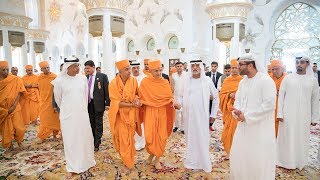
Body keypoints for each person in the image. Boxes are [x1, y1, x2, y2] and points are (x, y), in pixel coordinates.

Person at [230, 53, 276, 179]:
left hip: (260, 130)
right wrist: (237, 113)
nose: (238, 67)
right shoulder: (242, 82)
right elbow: (237, 101)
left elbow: (269, 105)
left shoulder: (265, 81)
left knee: (257, 158)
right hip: (243, 126)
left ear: (250, 65)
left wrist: (247, 116)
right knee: (240, 155)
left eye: (240, 64)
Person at [52, 57, 96, 179]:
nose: (78, 68)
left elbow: (84, 96)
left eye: (78, 65)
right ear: (68, 67)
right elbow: (58, 99)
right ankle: (72, 167)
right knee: (70, 141)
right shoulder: (59, 81)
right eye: (75, 66)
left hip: (82, 114)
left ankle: (86, 162)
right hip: (68, 116)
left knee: (84, 138)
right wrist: (68, 110)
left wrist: (80, 109)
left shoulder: (82, 79)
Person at [276, 56, 319, 170]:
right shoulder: (288, 78)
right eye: (297, 62)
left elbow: (315, 100)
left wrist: (314, 118)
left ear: (307, 64)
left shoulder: (313, 81)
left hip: (304, 115)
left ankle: (299, 162)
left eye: (302, 62)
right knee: (287, 137)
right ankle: (284, 161)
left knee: (301, 138)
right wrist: (279, 113)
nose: (299, 64)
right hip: (287, 114)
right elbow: (281, 96)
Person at [138, 59, 178, 170]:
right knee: (150, 136)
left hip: (162, 112)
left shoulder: (165, 82)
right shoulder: (145, 82)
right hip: (150, 111)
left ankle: (157, 159)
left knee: (161, 136)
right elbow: (141, 97)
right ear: (150, 71)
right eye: (156, 71)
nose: (159, 73)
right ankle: (151, 154)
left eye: (160, 70)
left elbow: (169, 97)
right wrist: (139, 101)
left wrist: (173, 101)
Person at [180, 59, 219, 173]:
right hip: (188, 116)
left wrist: (213, 114)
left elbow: (216, 97)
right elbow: (181, 97)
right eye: (193, 65)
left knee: (202, 138)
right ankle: (191, 161)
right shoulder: (187, 81)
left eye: (197, 65)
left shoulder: (207, 80)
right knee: (190, 138)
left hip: (202, 116)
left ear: (201, 67)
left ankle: (203, 162)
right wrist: (179, 105)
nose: (195, 67)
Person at [108, 59, 141, 169]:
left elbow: (137, 94)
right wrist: (132, 105)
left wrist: (136, 100)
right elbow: (116, 103)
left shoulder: (133, 81)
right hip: (119, 116)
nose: (129, 71)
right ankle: (127, 159)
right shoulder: (113, 83)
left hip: (131, 115)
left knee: (129, 137)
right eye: (126, 69)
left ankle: (129, 159)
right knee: (122, 138)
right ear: (120, 72)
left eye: (129, 68)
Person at [84, 60, 110, 151]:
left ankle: (97, 143)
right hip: (89, 104)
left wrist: (108, 103)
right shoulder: (85, 78)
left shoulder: (102, 76)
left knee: (98, 123)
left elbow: (107, 90)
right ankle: (92, 140)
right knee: (91, 122)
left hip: (99, 103)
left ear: (93, 67)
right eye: (85, 68)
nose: (86, 70)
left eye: (88, 68)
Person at [0, 61, 26, 151]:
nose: (6, 72)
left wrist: (14, 105)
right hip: (3, 110)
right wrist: (3, 110)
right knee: (7, 128)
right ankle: (10, 145)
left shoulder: (15, 79)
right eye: (3, 70)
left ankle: (19, 142)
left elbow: (20, 92)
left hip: (15, 107)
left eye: (7, 69)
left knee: (19, 127)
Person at [219, 59, 242, 156]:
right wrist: (229, 95)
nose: (234, 70)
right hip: (228, 109)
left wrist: (238, 95)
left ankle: (237, 149)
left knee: (237, 129)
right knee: (227, 129)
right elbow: (221, 94)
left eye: (236, 68)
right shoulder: (227, 80)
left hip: (238, 108)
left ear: (239, 68)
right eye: (232, 68)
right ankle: (229, 147)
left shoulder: (243, 80)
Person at [37, 61, 60, 143]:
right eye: (44, 68)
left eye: (48, 67)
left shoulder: (54, 77)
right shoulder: (39, 78)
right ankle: (42, 136)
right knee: (44, 119)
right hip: (43, 101)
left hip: (53, 101)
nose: (47, 69)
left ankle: (55, 135)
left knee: (54, 118)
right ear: (41, 69)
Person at [131, 61, 146, 150]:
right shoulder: (129, 78)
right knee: (133, 123)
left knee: (141, 124)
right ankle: (135, 141)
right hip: (131, 105)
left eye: (137, 68)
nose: (136, 69)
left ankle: (142, 142)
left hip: (142, 105)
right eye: (134, 68)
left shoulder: (144, 78)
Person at [270, 59, 286, 137]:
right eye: (273, 69)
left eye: (277, 69)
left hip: (284, 105)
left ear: (282, 68)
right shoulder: (269, 79)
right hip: (271, 106)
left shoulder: (287, 78)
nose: (274, 71)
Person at [206, 61, 222, 130]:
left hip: (216, 95)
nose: (213, 68)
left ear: (217, 67)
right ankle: (207, 124)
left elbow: (220, 86)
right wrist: (209, 94)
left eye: (215, 66)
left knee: (214, 109)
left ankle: (211, 125)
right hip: (208, 95)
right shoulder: (206, 74)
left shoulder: (220, 75)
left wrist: (216, 94)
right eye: (212, 66)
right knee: (208, 109)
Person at [171, 62, 186, 133]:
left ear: (183, 67)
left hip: (185, 96)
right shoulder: (173, 75)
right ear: (175, 67)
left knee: (184, 112)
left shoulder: (186, 75)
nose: (179, 67)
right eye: (178, 66)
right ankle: (176, 126)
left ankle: (183, 128)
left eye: (180, 66)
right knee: (177, 112)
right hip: (176, 96)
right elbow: (173, 85)